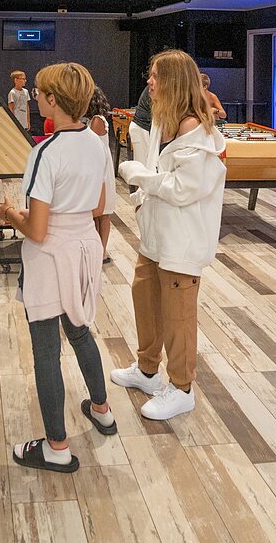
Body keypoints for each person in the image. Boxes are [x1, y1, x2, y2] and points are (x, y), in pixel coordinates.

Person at [0, 62, 116, 472]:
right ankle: (102, 409)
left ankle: (56, 447)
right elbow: (99, 206)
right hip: (86, 244)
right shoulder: (96, 143)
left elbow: (38, 229)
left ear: (51, 101)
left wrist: (10, 213)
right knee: (81, 331)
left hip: (50, 255)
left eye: (41, 92)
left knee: (46, 349)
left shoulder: (44, 152)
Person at [114, 50, 227, 420]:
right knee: (144, 298)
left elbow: (183, 188)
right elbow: (158, 173)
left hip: (182, 242)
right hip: (155, 237)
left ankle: (181, 388)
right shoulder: (164, 124)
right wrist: (141, 195)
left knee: (178, 317)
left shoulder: (198, 132)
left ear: (175, 81)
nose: (149, 81)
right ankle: (147, 370)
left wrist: (138, 177)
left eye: (156, 76)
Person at [84, 86, 117, 263]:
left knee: (103, 214)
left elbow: (92, 145)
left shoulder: (98, 120)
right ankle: (97, 248)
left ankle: (102, 251)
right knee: (97, 214)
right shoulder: (93, 120)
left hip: (101, 171)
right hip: (96, 169)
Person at [129, 84, 151, 160]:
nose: (149, 81)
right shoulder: (156, 86)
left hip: (147, 127)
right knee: (143, 167)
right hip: (142, 128)